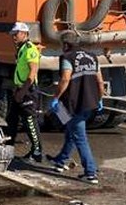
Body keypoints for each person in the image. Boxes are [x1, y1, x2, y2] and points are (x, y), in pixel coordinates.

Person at [48, 30, 104, 184]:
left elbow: (65, 79)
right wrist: (100, 98)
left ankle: (90, 172)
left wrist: (55, 98)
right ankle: (60, 161)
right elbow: (100, 80)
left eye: (62, 44)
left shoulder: (67, 57)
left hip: (73, 104)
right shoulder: (92, 57)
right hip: (90, 103)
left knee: (80, 137)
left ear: (66, 44)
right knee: (70, 130)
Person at [7, 22, 44, 165]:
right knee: (11, 120)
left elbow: (32, 74)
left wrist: (22, 92)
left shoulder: (30, 49)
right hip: (20, 89)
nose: (14, 37)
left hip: (27, 91)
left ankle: (37, 152)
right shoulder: (21, 48)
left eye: (16, 34)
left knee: (30, 121)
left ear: (24, 33)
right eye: (13, 34)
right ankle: (7, 148)